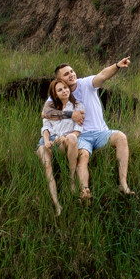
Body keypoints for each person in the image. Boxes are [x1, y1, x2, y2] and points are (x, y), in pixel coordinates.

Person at [54, 57, 134, 196]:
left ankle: (123, 184)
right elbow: (48, 113)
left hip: (100, 132)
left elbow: (103, 75)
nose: (71, 75)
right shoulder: (58, 93)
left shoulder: (86, 83)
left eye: (72, 71)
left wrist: (117, 65)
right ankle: (84, 191)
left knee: (121, 137)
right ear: (60, 80)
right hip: (81, 136)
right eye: (66, 74)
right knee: (83, 156)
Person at [36, 73, 85, 213]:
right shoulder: (50, 108)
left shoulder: (77, 106)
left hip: (65, 141)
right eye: (60, 90)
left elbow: (78, 130)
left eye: (65, 88)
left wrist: (64, 137)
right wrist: (47, 141)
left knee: (73, 138)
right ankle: (57, 204)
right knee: (47, 165)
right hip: (49, 142)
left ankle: (71, 180)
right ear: (55, 95)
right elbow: (45, 128)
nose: (64, 91)